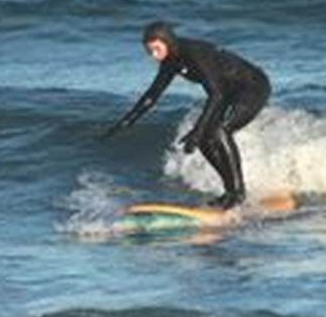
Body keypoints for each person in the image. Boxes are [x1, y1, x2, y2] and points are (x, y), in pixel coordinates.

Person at [103, 21, 270, 209]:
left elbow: (217, 94)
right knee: (206, 140)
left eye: (157, 49)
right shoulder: (170, 61)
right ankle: (230, 192)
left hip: (252, 87)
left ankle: (238, 194)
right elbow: (152, 95)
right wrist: (126, 121)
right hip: (227, 91)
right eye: (149, 51)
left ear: (168, 42)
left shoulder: (194, 53)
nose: (153, 56)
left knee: (219, 132)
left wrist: (197, 131)